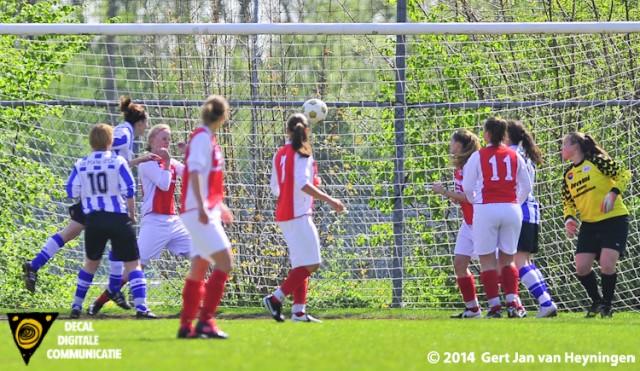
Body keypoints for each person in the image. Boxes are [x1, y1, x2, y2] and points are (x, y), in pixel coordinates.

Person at [23, 96, 158, 309]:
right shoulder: (124, 133)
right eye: (146, 123)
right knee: (113, 236)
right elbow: (108, 154)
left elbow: (112, 161)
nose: (146, 128)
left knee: (69, 234)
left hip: (94, 195)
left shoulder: (127, 134)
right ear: (140, 122)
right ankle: (113, 289)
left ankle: (35, 265)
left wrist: (140, 159)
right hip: (98, 199)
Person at [66, 124, 155, 319]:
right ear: (110, 141)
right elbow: (129, 189)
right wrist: (132, 215)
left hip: (94, 219)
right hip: (117, 217)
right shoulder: (118, 161)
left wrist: (90, 194)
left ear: (91, 142)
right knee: (133, 264)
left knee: (90, 264)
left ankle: (75, 306)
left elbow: (71, 191)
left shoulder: (81, 163)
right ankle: (142, 308)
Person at [263, 113, 345, 323]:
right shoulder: (302, 154)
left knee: (301, 265)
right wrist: (329, 199)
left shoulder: (279, 153)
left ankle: (298, 311)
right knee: (313, 263)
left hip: (284, 214)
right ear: (307, 131)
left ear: (287, 132)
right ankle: (275, 299)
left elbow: (274, 188)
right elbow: (302, 184)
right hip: (298, 214)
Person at [462, 117, 532, 319]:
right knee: (508, 259)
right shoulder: (514, 155)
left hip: (486, 209)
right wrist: (514, 203)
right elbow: (526, 186)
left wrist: (476, 201)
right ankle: (513, 303)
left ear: (487, 134)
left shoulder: (478, 156)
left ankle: (495, 307)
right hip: (511, 208)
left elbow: (467, 187)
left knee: (487, 261)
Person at [177, 95, 234, 339]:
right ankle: (205, 321)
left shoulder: (206, 138)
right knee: (225, 262)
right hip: (197, 211)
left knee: (200, 266)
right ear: (224, 116)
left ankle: (186, 326)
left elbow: (205, 176)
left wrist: (218, 204)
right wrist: (201, 207)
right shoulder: (202, 138)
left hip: (203, 209)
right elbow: (196, 174)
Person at [561, 132, 630, 318]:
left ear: (575, 146)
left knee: (607, 265)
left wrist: (614, 192)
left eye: (564, 144)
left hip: (614, 220)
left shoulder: (598, 161)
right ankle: (597, 301)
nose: (561, 148)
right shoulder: (568, 175)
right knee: (582, 267)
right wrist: (569, 219)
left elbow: (624, 173)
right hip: (589, 224)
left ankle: (607, 306)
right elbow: (568, 202)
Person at [505, 120, 557, 318]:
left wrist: (513, 206)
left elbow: (523, 188)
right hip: (531, 212)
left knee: (518, 263)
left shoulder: (511, 156)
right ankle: (544, 302)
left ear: (506, 136)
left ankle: (545, 302)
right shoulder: (524, 155)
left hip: (522, 212)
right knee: (525, 261)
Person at [432, 129, 482, 319]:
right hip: (468, 223)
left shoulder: (472, 165)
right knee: (460, 264)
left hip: (480, 222)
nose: (449, 146)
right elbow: (464, 197)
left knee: (495, 267)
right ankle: (473, 309)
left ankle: (511, 304)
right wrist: (455, 197)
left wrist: (444, 192)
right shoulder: (460, 167)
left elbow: (472, 198)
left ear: (459, 145)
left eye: (451, 142)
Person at [136, 124, 190, 269]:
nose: (167, 142)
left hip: (172, 220)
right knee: (137, 267)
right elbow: (163, 185)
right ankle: (111, 292)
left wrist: (188, 154)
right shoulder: (146, 163)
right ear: (152, 140)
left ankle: (199, 292)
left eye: (169, 139)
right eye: (164, 139)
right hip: (154, 220)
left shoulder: (171, 162)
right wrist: (166, 164)